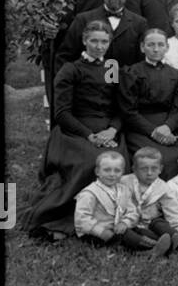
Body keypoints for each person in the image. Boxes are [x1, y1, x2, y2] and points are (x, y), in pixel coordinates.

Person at [21, 21, 127, 241]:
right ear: (85, 41)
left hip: (106, 129)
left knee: (120, 160)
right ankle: (67, 219)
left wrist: (112, 130)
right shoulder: (71, 69)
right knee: (92, 161)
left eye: (104, 42)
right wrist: (90, 135)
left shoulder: (111, 67)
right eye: (94, 41)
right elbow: (62, 113)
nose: (99, 46)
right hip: (74, 131)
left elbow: (117, 106)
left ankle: (112, 218)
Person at [117, 27, 178, 179]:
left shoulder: (176, 74)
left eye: (160, 45)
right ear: (142, 47)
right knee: (162, 159)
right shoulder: (131, 72)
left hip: (170, 126)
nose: (156, 49)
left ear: (167, 47)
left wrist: (167, 127)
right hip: (141, 127)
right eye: (150, 45)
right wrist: (154, 132)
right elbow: (128, 111)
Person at [73, 151, 172, 256]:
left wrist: (125, 222)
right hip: (96, 233)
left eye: (117, 171)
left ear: (122, 172)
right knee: (126, 234)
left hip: (117, 228)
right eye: (107, 170)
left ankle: (162, 243)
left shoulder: (123, 190)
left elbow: (132, 211)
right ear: (97, 171)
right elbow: (82, 219)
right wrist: (101, 231)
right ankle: (151, 248)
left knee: (138, 230)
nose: (112, 174)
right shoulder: (89, 193)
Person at [57, 0, 147, 72]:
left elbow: (142, 62)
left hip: (126, 84)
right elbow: (65, 57)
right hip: (90, 84)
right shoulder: (83, 20)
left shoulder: (140, 23)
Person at [121, 147, 178, 256]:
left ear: (160, 169)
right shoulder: (124, 182)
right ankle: (158, 248)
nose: (149, 173)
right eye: (144, 169)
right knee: (126, 235)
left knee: (158, 234)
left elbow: (173, 211)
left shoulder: (163, 187)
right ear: (134, 169)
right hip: (127, 223)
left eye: (154, 169)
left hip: (148, 225)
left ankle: (165, 245)